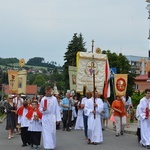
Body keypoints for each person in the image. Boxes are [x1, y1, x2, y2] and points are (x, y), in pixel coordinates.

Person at [40, 86, 61, 150]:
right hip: (46, 117)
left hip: (52, 117)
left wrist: (58, 119)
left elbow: (57, 109)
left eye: (49, 91)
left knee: (52, 132)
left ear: (51, 91)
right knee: (46, 132)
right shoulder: (43, 99)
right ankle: (47, 146)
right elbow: (40, 109)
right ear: (45, 91)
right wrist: (43, 109)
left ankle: (52, 145)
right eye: (47, 91)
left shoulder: (54, 99)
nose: (48, 92)